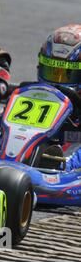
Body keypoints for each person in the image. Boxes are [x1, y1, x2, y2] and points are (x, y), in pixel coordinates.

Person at [35, 24, 81, 170]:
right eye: (52, 71)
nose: (56, 82)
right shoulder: (35, 98)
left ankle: (62, 164)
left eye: (67, 74)